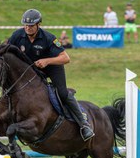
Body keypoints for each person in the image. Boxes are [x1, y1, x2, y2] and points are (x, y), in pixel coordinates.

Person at [7, 9, 94, 141]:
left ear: (38, 25)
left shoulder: (49, 38)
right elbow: (7, 51)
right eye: (25, 25)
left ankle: (84, 124)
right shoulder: (17, 36)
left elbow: (66, 58)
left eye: (31, 25)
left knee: (63, 93)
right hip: (32, 70)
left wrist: (47, 61)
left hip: (53, 68)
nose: (28, 28)